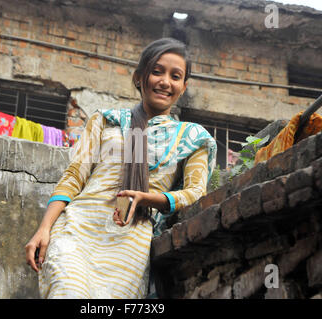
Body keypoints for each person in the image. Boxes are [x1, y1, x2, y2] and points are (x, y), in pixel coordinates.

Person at [25, 38, 217, 298]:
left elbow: (196, 193)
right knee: (67, 291)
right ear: (140, 77)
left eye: (175, 76)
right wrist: (44, 228)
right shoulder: (105, 120)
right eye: (157, 71)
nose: (165, 82)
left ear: (184, 87)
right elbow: (73, 177)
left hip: (129, 243)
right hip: (76, 230)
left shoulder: (192, 137)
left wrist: (147, 198)